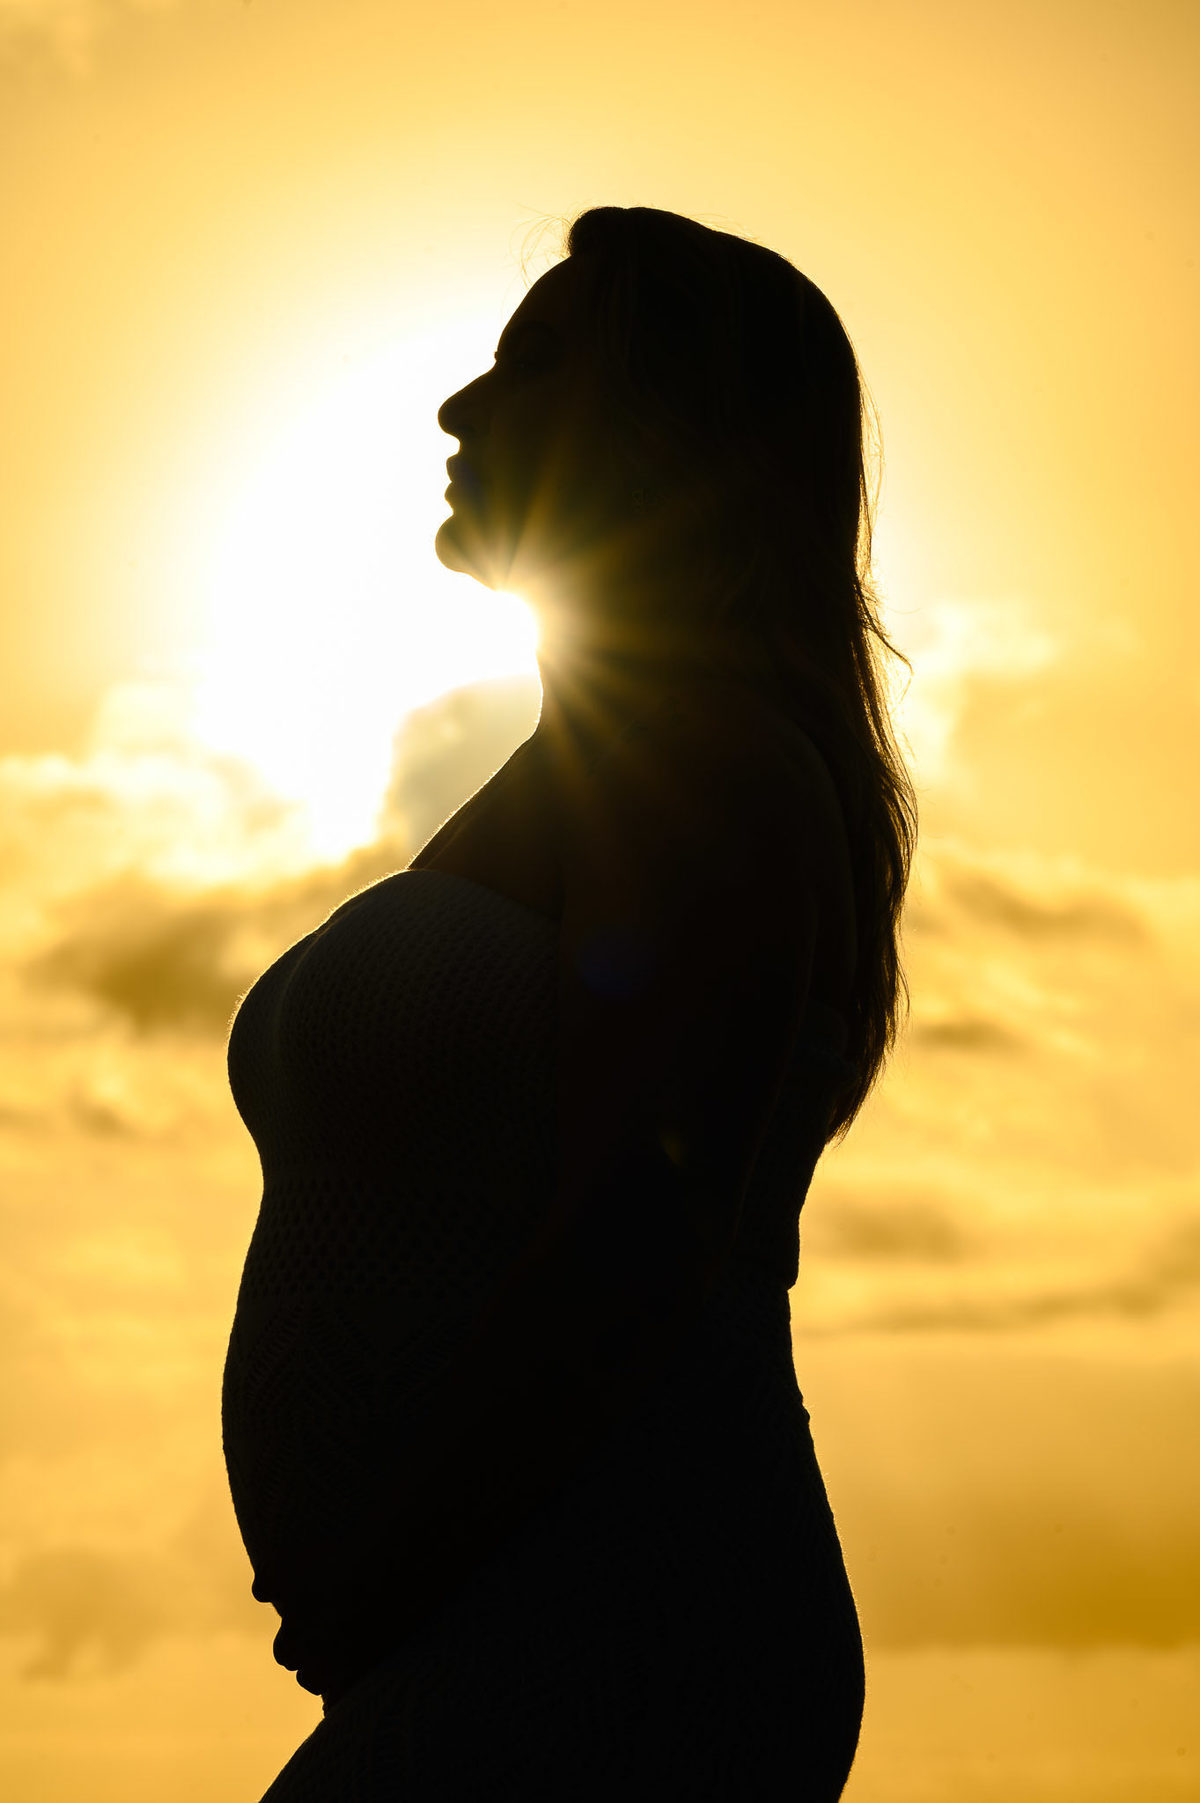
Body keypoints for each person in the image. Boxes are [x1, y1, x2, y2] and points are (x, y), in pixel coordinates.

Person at [222, 205, 916, 1800]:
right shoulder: (600, 767)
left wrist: (398, 1553)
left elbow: (636, 1240)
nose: (460, 411)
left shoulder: (704, 768)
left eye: (527, 376)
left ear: (670, 446)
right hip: (500, 1608)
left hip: (603, 1613)